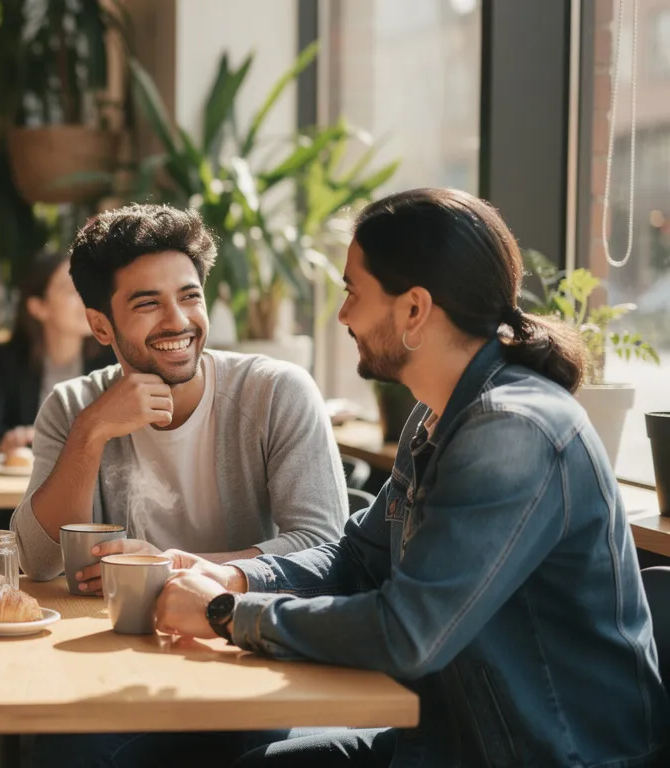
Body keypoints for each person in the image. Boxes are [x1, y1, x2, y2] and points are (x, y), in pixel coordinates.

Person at [154, 188, 670, 767]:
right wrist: (236, 576)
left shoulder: (513, 432)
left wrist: (226, 613)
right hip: (450, 742)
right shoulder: (436, 415)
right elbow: (358, 559)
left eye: (353, 292)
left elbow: (407, 633)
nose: (342, 315)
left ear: (415, 310)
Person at [14, 204, 348, 766]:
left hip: (255, 664)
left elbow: (325, 550)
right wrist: (90, 433)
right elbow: (40, 561)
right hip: (119, 675)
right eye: (148, 303)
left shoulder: (276, 392)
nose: (178, 321)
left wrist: (170, 568)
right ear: (101, 325)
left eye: (190, 296)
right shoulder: (73, 407)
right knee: (65, 751)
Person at [0, 250, 116, 455]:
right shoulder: (6, 358)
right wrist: (14, 438)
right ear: (39, 307)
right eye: (71, 289)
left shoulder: (115, 358)